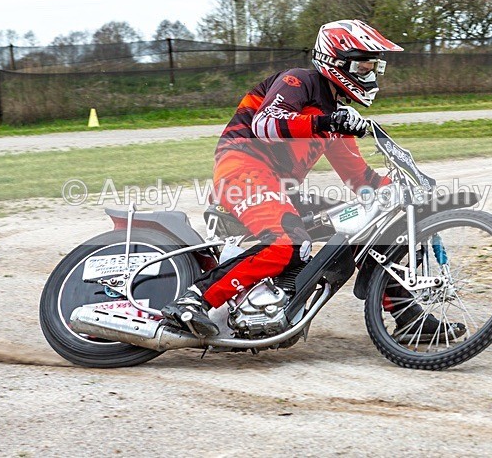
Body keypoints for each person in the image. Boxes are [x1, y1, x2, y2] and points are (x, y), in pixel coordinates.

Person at [162, 20, 464, 343]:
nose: (370, 74)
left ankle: (406, 317)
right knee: (287, 244)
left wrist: (400, 191)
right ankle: (194, 299)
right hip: (242, 168)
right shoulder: (299, 81)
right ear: (337, 62)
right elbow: (266, 123)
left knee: (365, 219)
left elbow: (360, 180)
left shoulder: (335, 117)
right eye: (363, 66)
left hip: (280, 189)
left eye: (373, 67)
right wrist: (327, 121)